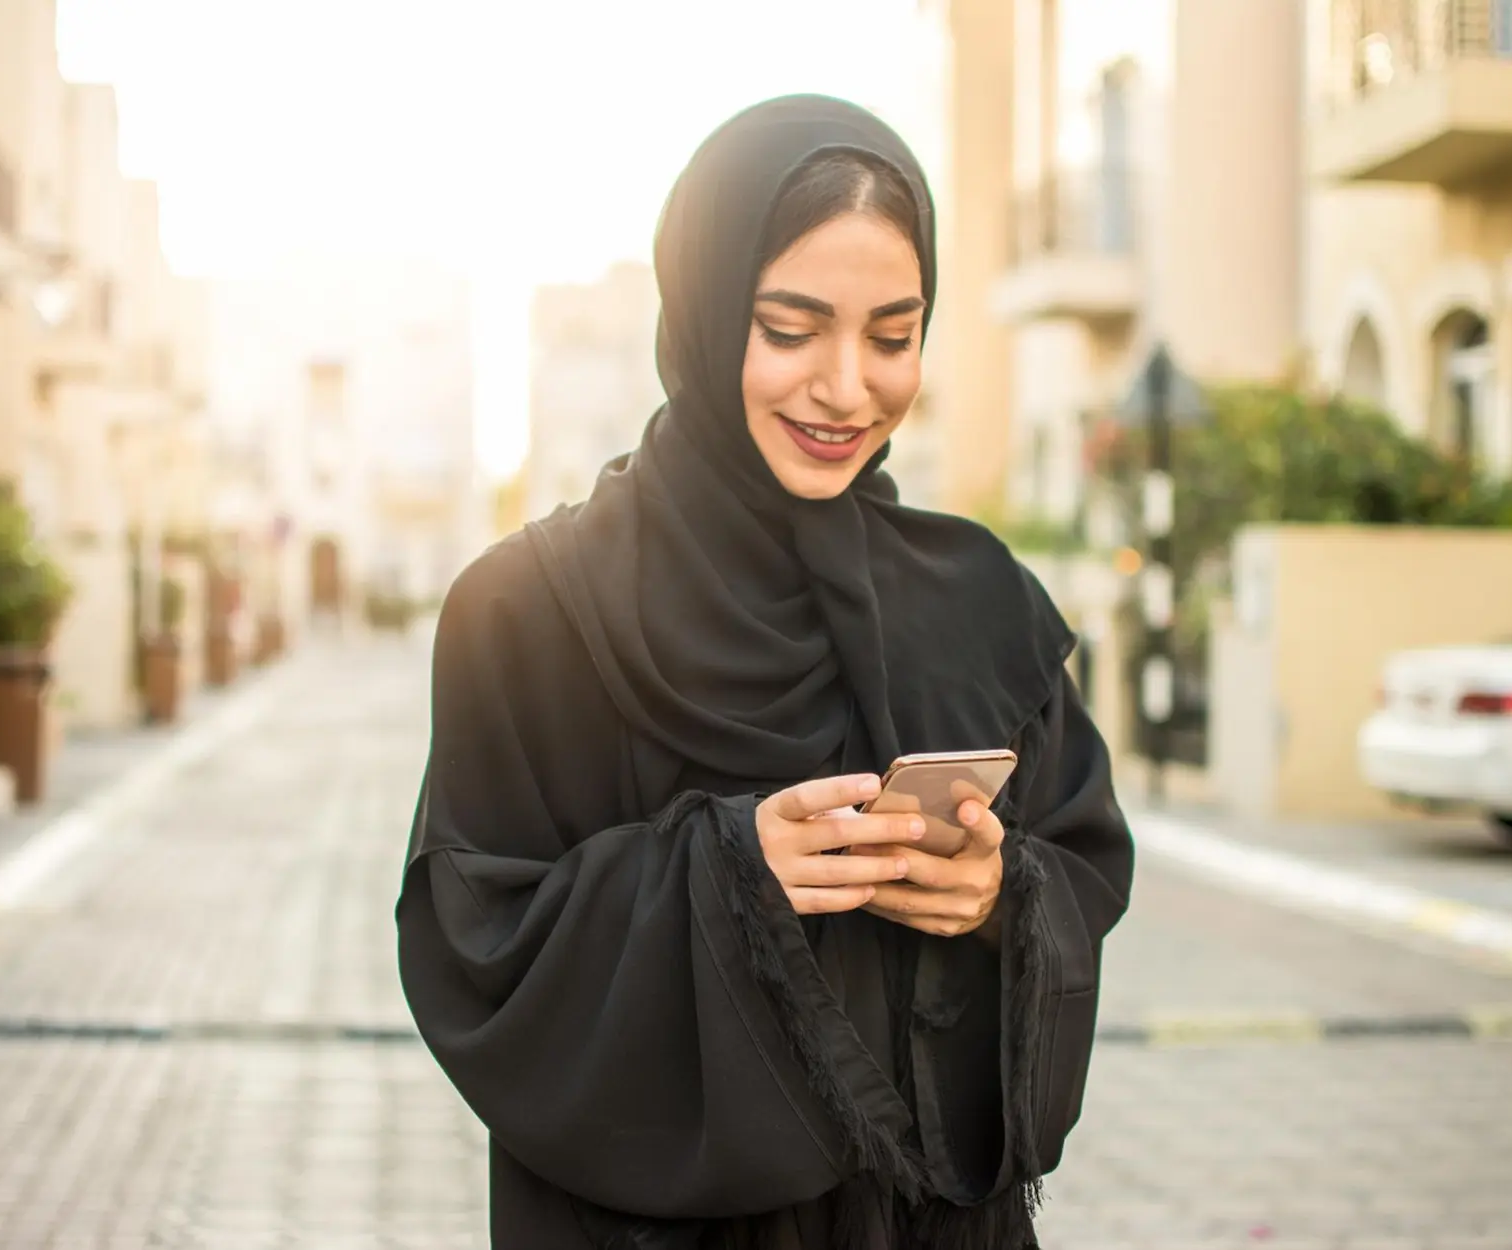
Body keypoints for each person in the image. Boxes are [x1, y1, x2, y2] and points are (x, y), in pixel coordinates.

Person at [397, 94, 1134, 1249]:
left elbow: (1083, 860)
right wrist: (730, 869)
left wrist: (1002, 897)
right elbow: (474, 936)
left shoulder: (980, 599)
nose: (848, 388)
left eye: (893, 336)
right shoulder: (531, 611)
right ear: (701, 308)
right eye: (790, 328)